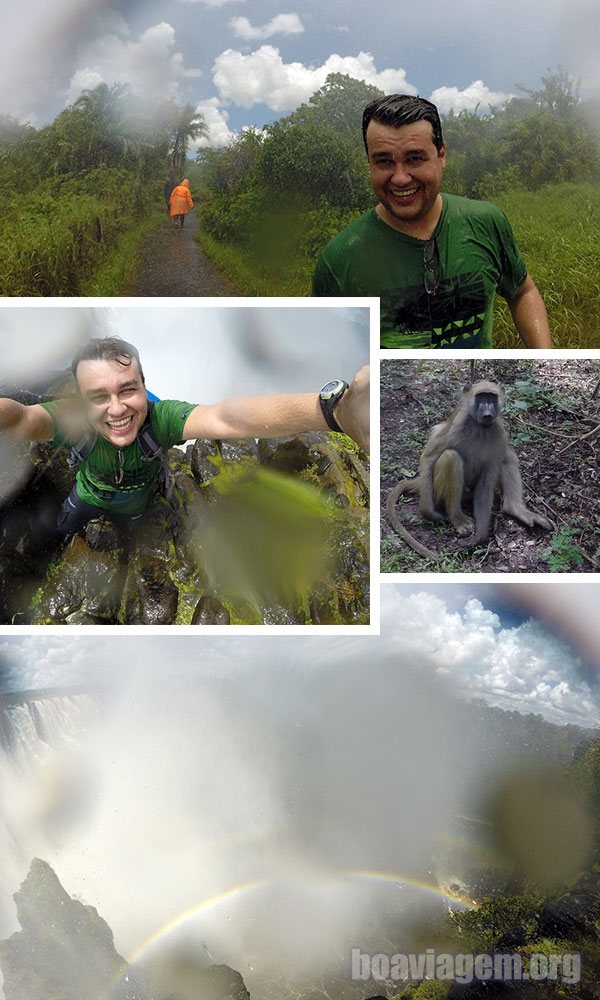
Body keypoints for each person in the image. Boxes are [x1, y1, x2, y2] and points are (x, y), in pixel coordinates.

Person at [0, 337, 370, 539]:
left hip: (138, 506)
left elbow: (227, 418)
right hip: (86, 495)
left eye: (128, 390)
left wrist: (334, 412)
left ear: (145, 387)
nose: (116, 410)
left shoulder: (161, 419)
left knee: (135, 535)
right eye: (98, 396)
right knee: (64, 527)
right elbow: (22, 417)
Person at [312, 95, 553, 350]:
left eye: (415, 158)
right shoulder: (339, 261)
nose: (401, 178)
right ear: (370, 162)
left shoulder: (485, 222)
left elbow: (522, 291)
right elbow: (328, 348)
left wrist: (546, 362)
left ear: (441, 155)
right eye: (384, 161)